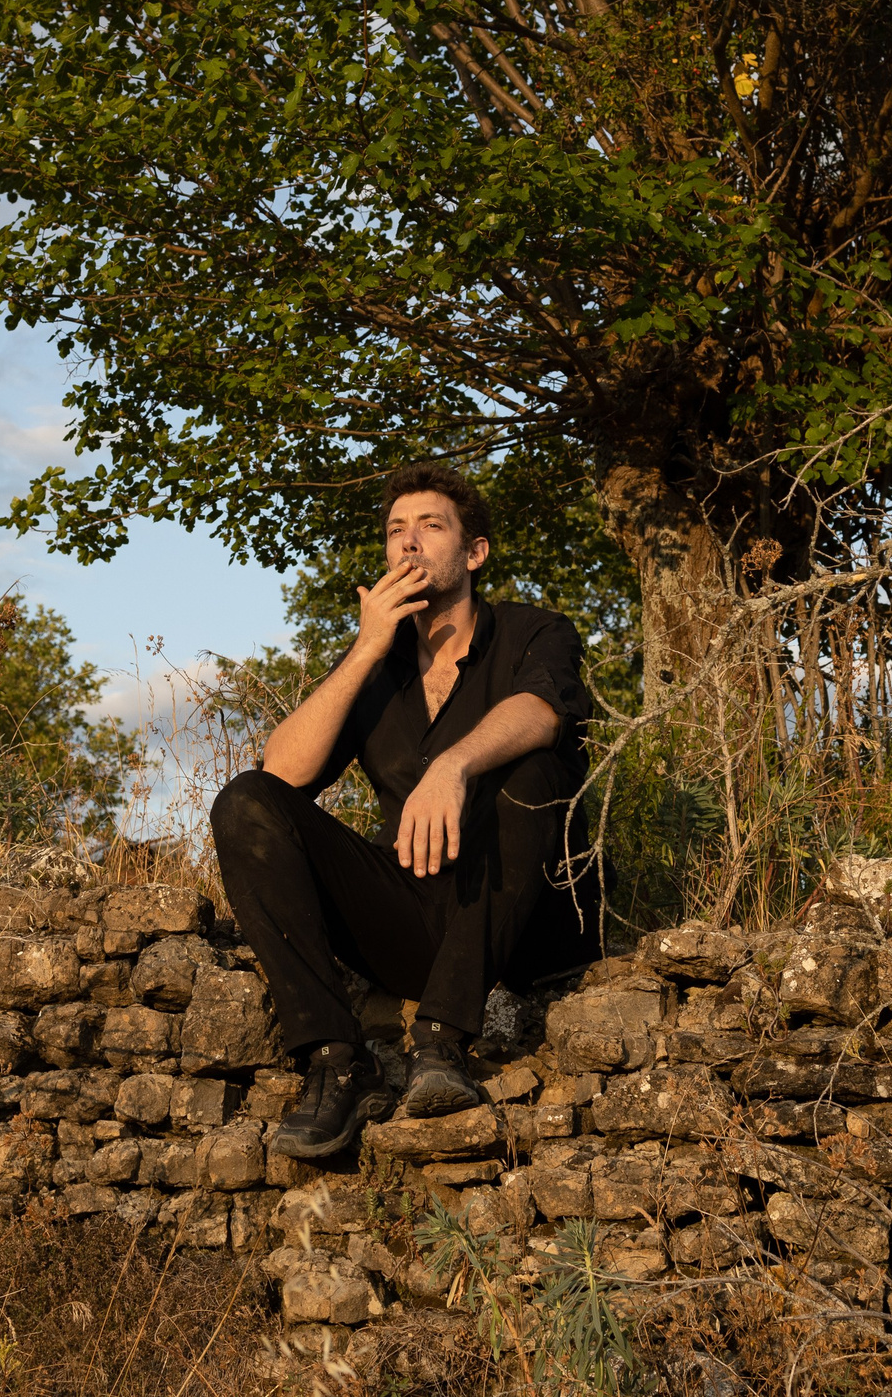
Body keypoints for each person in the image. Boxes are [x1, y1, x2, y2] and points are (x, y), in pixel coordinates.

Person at [211, 464, 601, 1160]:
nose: (408, 544)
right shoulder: (375, 666)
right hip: (420, 920)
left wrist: (454, 763)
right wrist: (365, 648)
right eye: (396, 531)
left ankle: (442, 1040)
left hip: (527, 921)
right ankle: (336, 1059)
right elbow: (282, 773)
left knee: (537, 765)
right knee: (245, 801)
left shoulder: (534, 631)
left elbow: (542, 712)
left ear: (474, 551)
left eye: (430, 526)